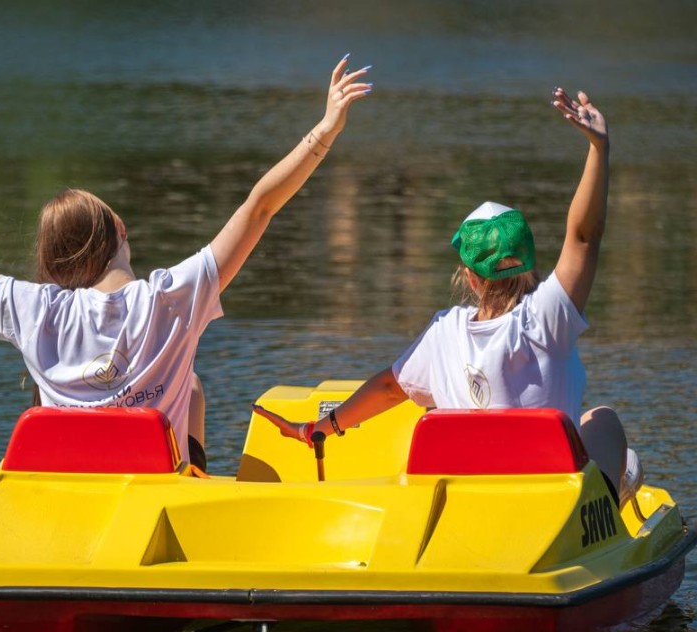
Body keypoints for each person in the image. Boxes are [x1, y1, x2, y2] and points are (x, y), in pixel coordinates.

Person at [0, 56, 373, 471]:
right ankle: (194, 477)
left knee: (180, 386)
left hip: (70, 484)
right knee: (190, 385)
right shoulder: (173, 296)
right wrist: (324, 130)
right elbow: (261, 204)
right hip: (149, 484)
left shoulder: (34, 308)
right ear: (121, 231)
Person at [255, 86, 643, 504]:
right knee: (602, 421)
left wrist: (319, 429)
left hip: (466, 504)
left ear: (471, 279)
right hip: (547, 508)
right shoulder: (545, 320)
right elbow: (584, 237)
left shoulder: (444, 334)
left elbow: (389, 388)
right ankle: (606, 512)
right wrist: (598, 150)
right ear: (530, 264)